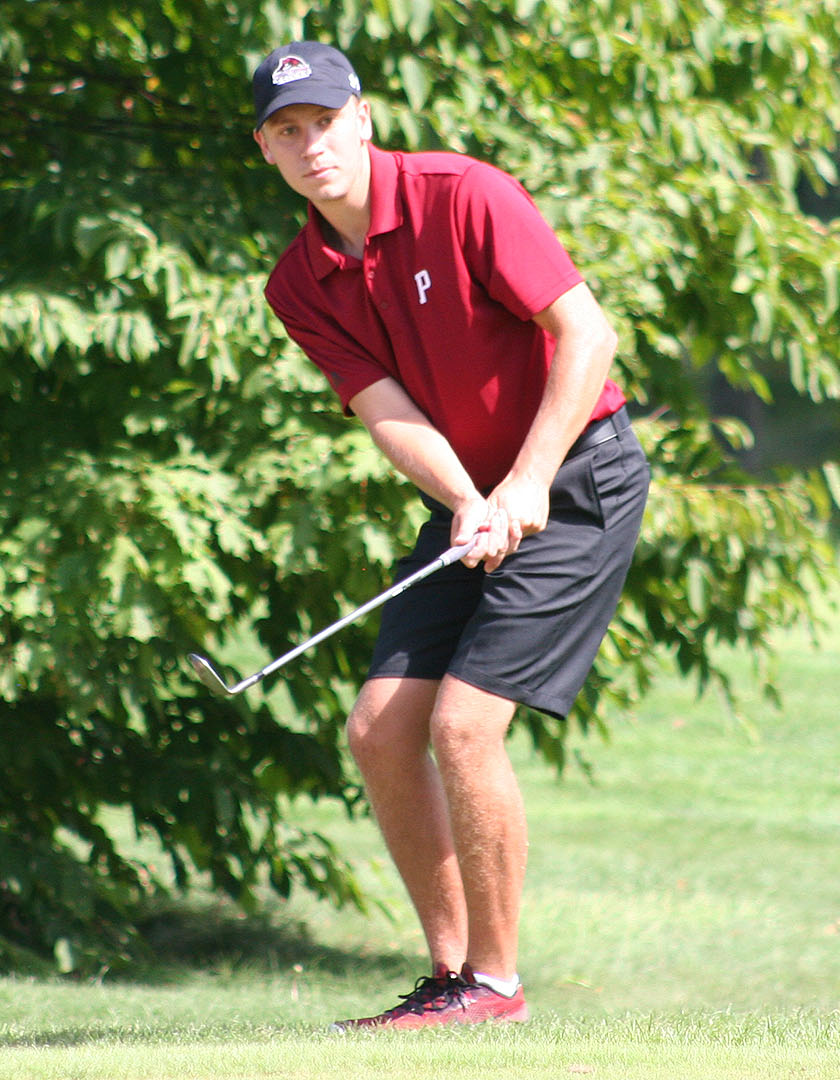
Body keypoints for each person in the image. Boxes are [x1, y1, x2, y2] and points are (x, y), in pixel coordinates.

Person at [250, 41, 651, 1030]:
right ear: (266, 149)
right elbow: (386, 410)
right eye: (287, 131)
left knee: (464, 726)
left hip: (578, 476)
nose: (312, 146)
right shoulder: (299, 282)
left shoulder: (465, 194)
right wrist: (470, 498)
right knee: (380, 731)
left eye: (325, 122)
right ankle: (450, 977)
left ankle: (495, 986)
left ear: (363, 118)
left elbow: (587, 335)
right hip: (472, 497)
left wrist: (528, 479)